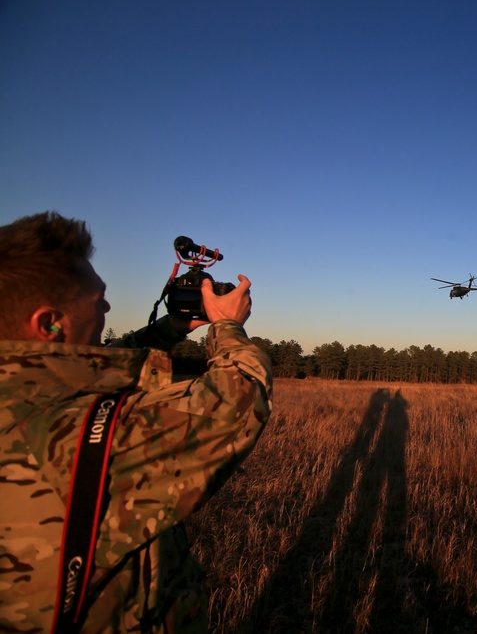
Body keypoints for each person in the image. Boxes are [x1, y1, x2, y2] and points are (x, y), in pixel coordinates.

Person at [0, 212, 273, 633]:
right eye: (98, 300)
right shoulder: (76, 437)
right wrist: (228, 327)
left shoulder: (23, 400)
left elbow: (89, 369)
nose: (108, 307)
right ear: (49, 323)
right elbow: (237, 401)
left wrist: (169, 329)